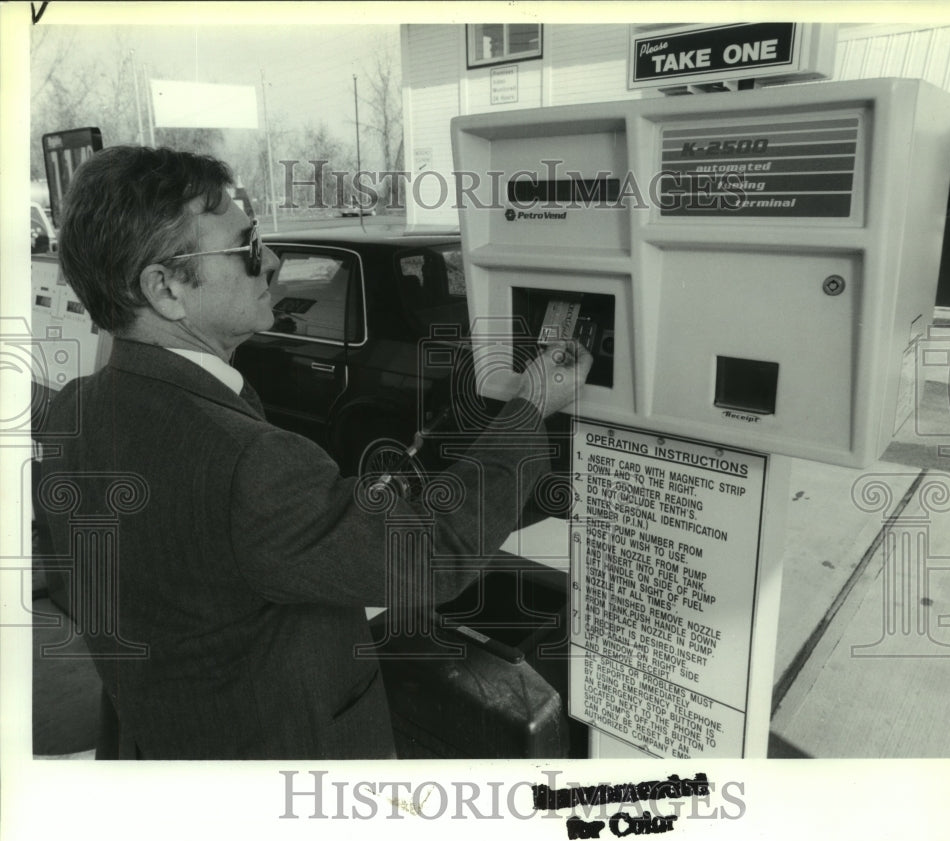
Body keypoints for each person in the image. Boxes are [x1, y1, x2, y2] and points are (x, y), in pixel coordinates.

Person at [36, 146, 591, 760]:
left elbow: (263, 540)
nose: (272, 262)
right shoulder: (245, 461)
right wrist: (531, 407)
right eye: (247, 248)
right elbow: (431, 554)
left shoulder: (78, 409)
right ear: (165, 288)